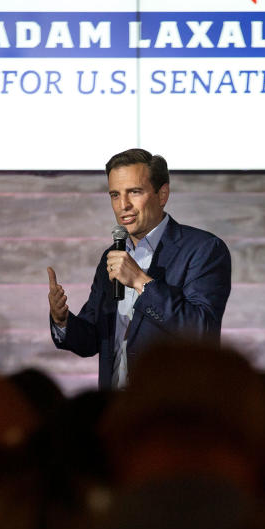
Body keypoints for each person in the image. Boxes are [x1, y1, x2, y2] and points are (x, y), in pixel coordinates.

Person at [47, 148, 232, 389]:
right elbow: (93, 340)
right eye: (115, 194)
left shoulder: (203, 249)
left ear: (162, 194)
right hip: (118, 410)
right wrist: (62, 321)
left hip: (174, 409)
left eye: (134, 192)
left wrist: (140, 282)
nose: (123, 205)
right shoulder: (113, 256)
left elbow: (201, 332)